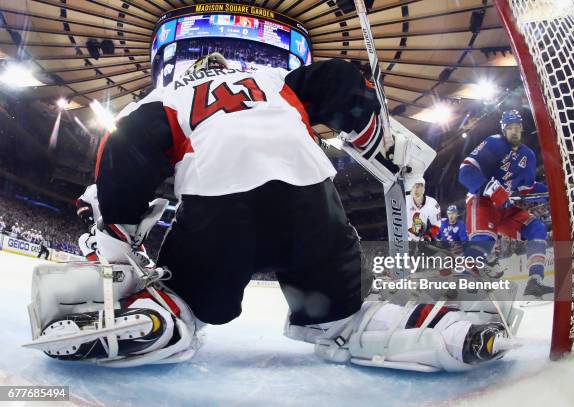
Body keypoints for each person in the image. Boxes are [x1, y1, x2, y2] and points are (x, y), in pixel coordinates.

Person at [26, 54, 518, 371]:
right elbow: (341, 77)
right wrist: (372, 132)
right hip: (309, 196)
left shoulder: (163, 97)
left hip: (221, 206)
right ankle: (446, 333)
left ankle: (158, 320)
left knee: (189, 298)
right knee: (340, 313)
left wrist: (118, 236)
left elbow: (125, 152)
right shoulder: (273, 78)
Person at [458, 110, 551, 298]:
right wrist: (489, 188)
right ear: (503, 129)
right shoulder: (494, 143)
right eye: (509, 127)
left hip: (504, 207)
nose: (514, 131)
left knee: (537, 229)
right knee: (484, 241)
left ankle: (535, 281)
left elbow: (527, 189)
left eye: (517, 127)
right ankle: (460, 285)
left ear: (522, 128)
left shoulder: (528, 156)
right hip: (481, 201)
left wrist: (551, 193)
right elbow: (465, 171)